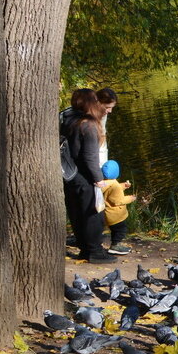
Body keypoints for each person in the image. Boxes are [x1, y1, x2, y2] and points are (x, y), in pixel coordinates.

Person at [61, 88, 115, 262]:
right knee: (93, 213)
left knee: (76, 212)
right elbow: (90, 157)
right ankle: (94, 252)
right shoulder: (88, 125)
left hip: (68, 173)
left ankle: (84, 249)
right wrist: (99, 179)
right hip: (83, 175)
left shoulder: (67, 119)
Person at [100, 160, 135, 256]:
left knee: (115, 230)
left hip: (108, 214)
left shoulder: (104, 183)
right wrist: (130, 198)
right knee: (120, 230)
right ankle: (115, 246)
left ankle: (114, 244)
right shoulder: (115, 185)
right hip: (116, 215)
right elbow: (118, 200)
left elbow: (112, 191)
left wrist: (123, 186)